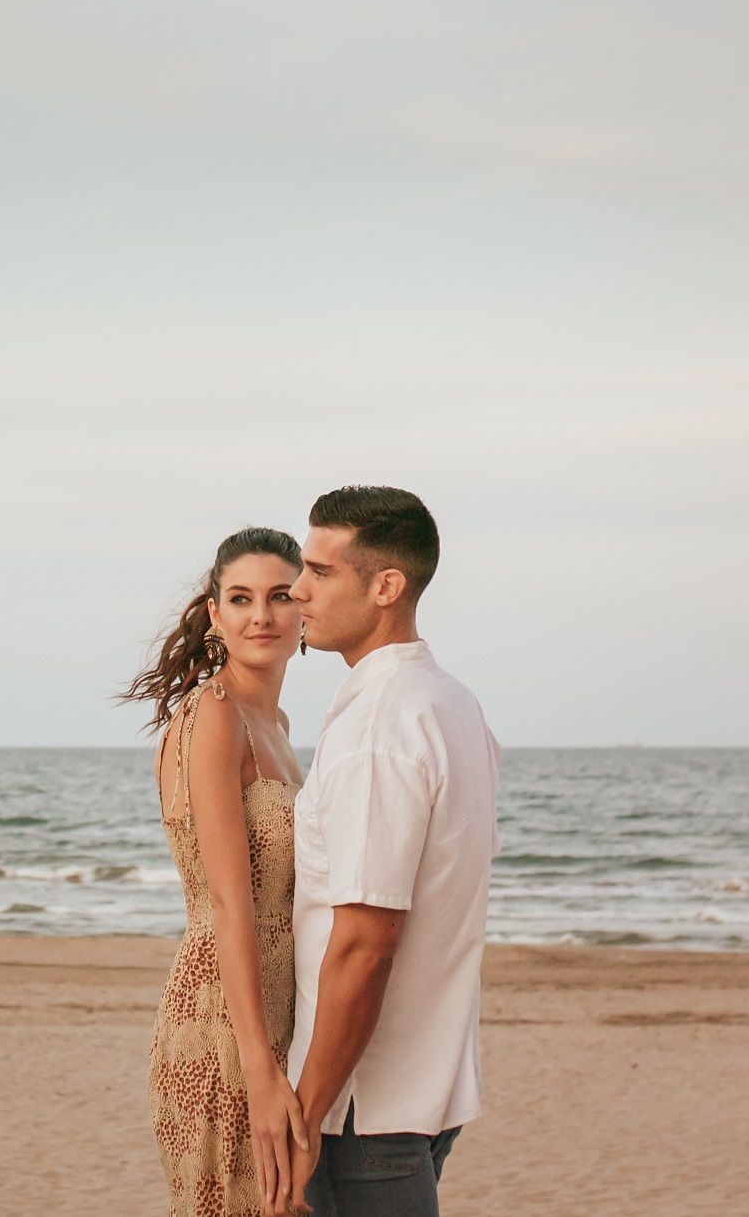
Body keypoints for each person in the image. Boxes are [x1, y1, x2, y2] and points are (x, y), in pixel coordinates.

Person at [281, 485, 501, 1217]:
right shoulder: (451, 702)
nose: (297, 588)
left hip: (360, 1109)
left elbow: (365, 943)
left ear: (385, 586)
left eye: (319, 571)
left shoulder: (379, 727)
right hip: (426, 1092)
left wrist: (304, 1114)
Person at [121, 527, 311, 1217]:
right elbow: (230, 906)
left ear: (304, 610)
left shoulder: (277, 721)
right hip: (222, 1024)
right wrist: (259, 1070)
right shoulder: (214, 716)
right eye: (241, 597)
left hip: (276, 1012)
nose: (261, 614)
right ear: (215, 612)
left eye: (280, 595)